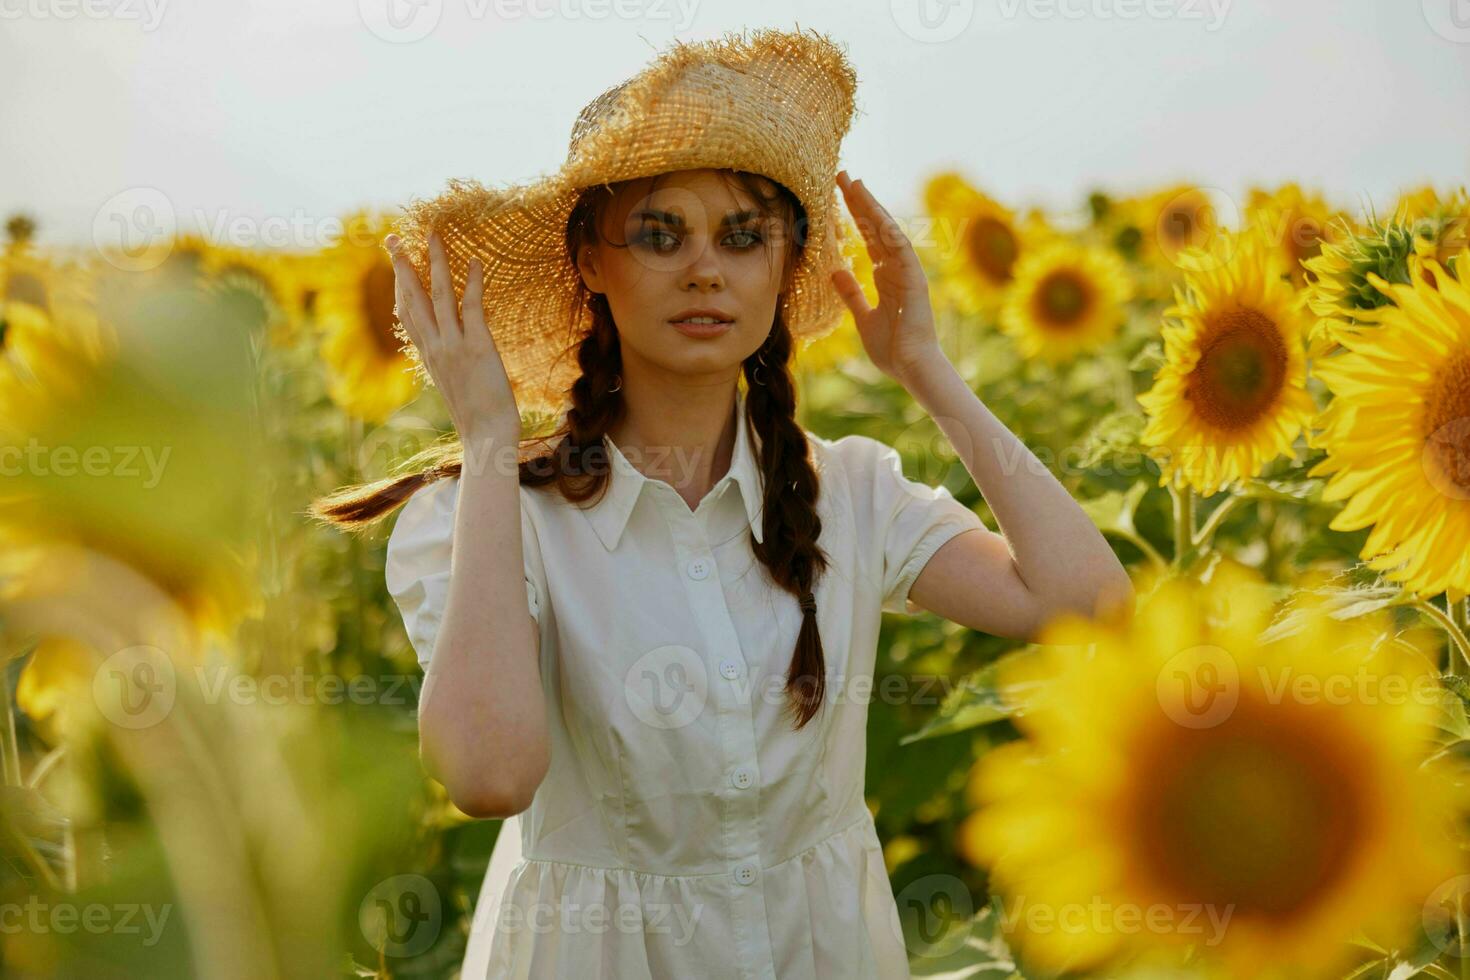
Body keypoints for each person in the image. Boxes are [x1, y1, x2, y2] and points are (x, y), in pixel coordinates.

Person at [312, 27, 1133, 980]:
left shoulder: (851, 492)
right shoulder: (476, 516)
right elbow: (490, 777)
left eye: (744, 237)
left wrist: (926, 368)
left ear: (785, 269)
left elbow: (1092, 611)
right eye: (661, 235)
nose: (707, 270)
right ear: (591, 262)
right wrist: (490, 443)